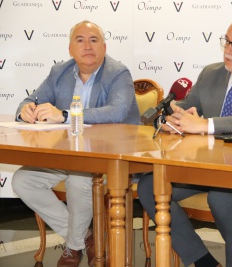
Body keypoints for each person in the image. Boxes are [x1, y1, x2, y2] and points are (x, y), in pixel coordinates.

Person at [137, 15, 232, 267]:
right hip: (208, 165)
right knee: (149, 186)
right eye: (227, 42)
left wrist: (206, 125)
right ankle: (203, 262)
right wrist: (173, 119)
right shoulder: (211, 73)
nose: (229, 50)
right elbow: (186, 107)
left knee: (221, 197)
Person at [12, 20, 140, 267]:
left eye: (93, 40)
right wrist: (24, 110)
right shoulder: (59, 71)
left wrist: (66, 115)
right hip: (67, 155)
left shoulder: (118, 73)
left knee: (79, 180)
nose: (87, 46)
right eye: (80, 40)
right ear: (70, 49)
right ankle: (85, 239)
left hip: (109, 159)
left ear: (104, 46)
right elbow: (31, 99)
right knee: (23, 181)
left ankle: (72, 247)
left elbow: (117, 111)